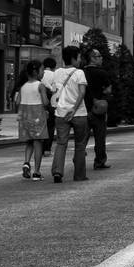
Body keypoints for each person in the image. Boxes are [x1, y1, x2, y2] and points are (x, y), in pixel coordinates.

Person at [51, 45, 90, 183]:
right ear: (73, 58)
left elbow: (54, 90)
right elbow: (82, 92)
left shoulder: (57, 72)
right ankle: (79, 175)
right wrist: (74, 108)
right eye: (79, 57)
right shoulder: (79, 73)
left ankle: (57, 171)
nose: (80, 60)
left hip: (61, 113)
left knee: (61, 143)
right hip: (79, 113)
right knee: (80, 144)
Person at [14, 62, 49, 181]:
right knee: (38, 143)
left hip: (25, 116)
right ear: (36, 72)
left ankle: (26, 162)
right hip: (37, 116)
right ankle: (37, 172)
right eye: (42, 70)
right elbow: (45, 102)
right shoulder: (40, 85)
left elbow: (17, 102)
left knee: (29, 142)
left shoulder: (23, 86)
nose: (43, 72)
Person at [84, 47, 112, 171]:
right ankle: (99, 161)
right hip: (98, 110)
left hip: (82, 109)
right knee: (100, 137)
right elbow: (108, 90)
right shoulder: (102, 73)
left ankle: (78, 160)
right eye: (99, 56)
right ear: (92, 58)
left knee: (82, 138)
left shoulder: (80, 72)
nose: (101, 58)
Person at [40, 56, 57, 155]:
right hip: (51, 104)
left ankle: (39, 147)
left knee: (41, 126)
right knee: (50, 127)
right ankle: (47, 149)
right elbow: (55, 90)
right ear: (54, 66)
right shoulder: (54, 75)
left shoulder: (40, 74)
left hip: (40, 103)